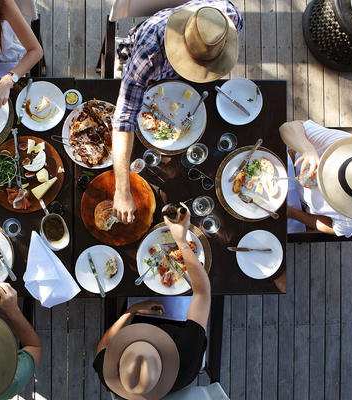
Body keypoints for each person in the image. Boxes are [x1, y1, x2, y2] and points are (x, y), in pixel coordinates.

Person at [111, 2, 243, 224]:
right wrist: (122, 190)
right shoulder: (147, 57)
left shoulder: (229, 17)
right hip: (146, 65)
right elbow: (123, 121)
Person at [93, 205, 211, 399]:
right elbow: (202, 293)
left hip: (140, 314)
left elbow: (102, 346)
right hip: (181, 324)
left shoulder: (116, 375)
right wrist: (181, 240)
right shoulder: (186, 363)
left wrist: (131, 311)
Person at [280, 120, 352, 237]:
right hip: (287, 166)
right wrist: (308, 150)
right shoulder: (342, 144)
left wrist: (292, 213)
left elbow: (335, 228)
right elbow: (288, 127)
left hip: (296, 207)